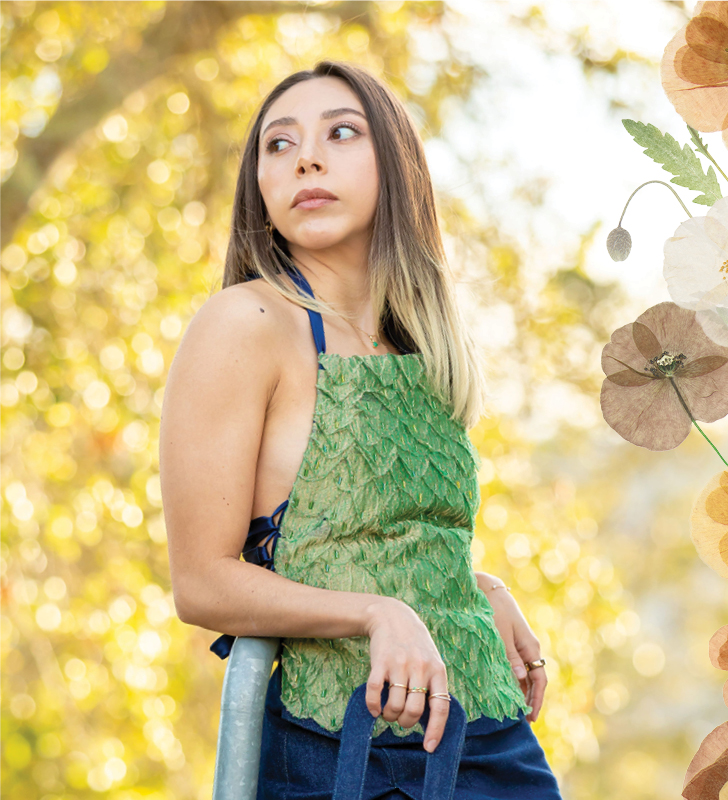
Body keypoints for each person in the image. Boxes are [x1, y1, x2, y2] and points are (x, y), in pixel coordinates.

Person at [159, 60, 563, 799]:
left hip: (495, 740)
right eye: (277, 145)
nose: (305, 157)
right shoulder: (245, 325)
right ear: (260, 186)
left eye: (340, 133)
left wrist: (472, 590)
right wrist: (379, 614)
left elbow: (369, 541)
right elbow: (202, 582)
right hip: (343, 749)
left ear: (397, 166)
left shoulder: (424, 341)